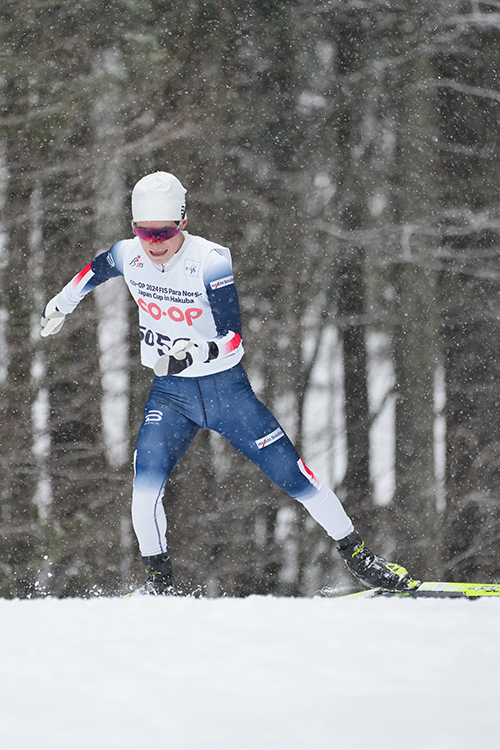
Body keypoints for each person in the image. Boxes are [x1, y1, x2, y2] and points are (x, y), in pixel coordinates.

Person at [41, 171, 419, 596]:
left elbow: (234, 339)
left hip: (226, 392)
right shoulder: (128, 254)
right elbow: (95, 270)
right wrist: (60, 304)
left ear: (182, 222)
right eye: (144, 231)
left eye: (163, 231)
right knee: (143, 493)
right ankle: (159, 587)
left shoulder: (210, 260)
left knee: (296, 477)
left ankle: (361, 559)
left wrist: (197, 353)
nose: (154, 242)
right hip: (171, 396)